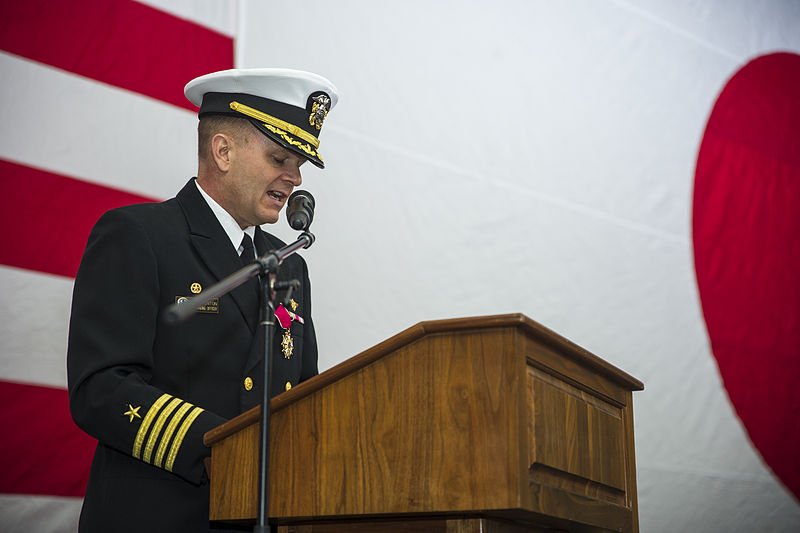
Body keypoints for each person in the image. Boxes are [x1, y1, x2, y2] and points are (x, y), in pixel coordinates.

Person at [67, 69, 338, 532]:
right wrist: (221, 446)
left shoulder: (289, 265)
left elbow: (303, 396)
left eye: (299, 165)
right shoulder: (139, 236)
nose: (294, 177)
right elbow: (101, 387)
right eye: (280, 157)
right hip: (160, 516)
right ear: (223, 151)